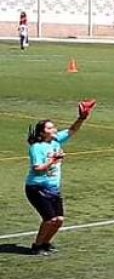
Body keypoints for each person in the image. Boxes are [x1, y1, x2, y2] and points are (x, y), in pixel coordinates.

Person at [25, 100, 94, 255]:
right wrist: (54, 160)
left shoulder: (56, 140)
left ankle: (46, 243)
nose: (54, 129)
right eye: (50, 128)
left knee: (59, 220)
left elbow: (71, 130)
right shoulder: (37, 148)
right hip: (37, 187)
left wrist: (82, 118)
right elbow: (37, 169)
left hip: (53, 188)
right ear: (42, 133)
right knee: (49, 219)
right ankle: (36, 246)